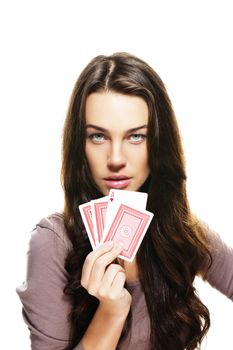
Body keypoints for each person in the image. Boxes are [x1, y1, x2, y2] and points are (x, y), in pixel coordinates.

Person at [16, 52, 233, 350]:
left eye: (135, 137)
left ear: (158, 143)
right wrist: (111, 311)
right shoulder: (53, 242)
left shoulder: (179, 233)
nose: (116, 159)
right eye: (98, 137)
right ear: (79, 145)